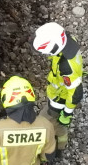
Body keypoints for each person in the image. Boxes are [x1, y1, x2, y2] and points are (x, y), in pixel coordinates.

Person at [32, 22, 84, 151]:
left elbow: (76, 92)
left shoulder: (66, 67)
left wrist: (66, 114)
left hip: (59, 100)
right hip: (57, 92)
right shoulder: (68, 42)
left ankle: (59, 148)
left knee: (49, 123)